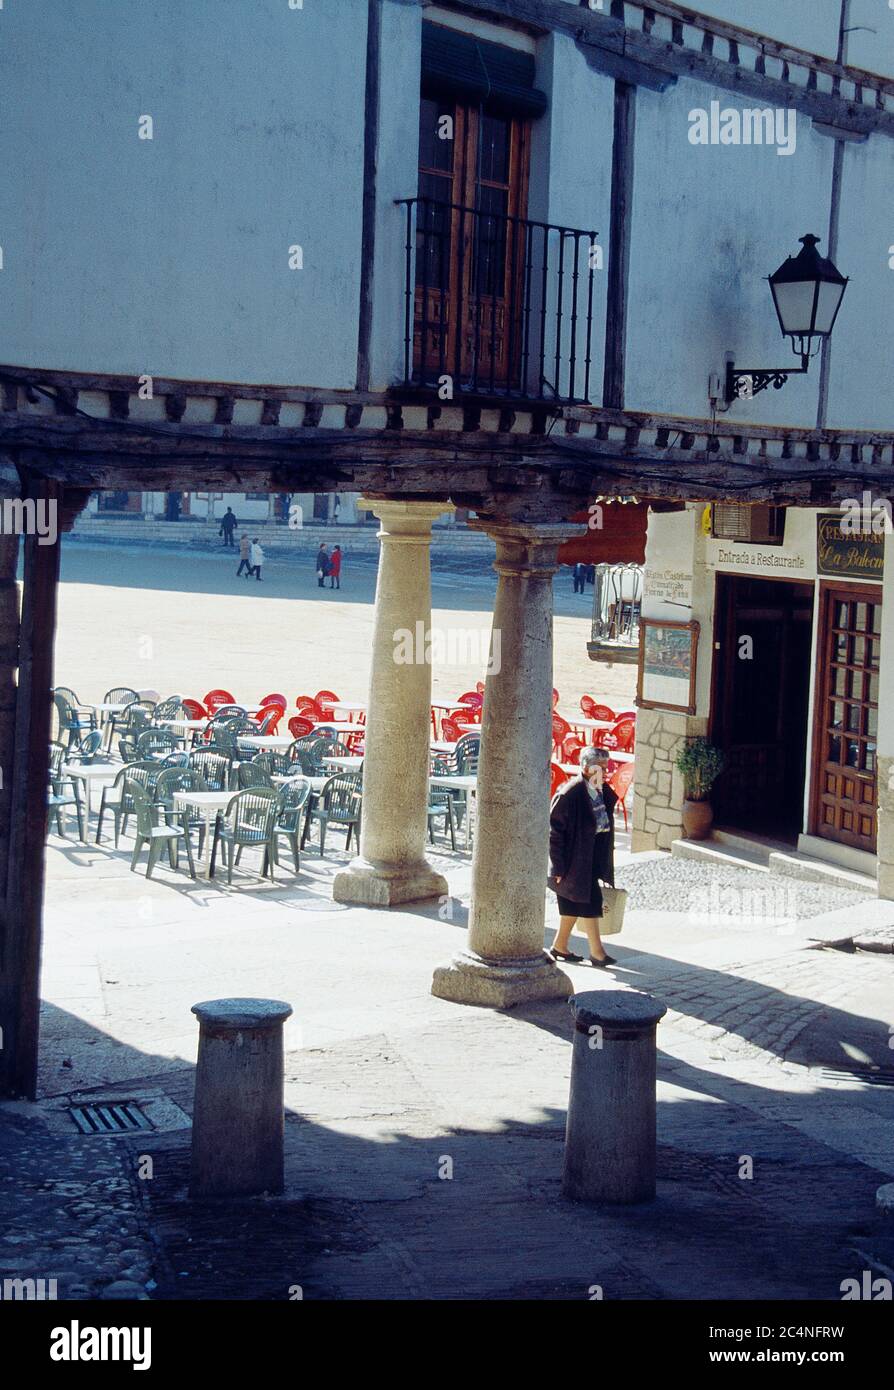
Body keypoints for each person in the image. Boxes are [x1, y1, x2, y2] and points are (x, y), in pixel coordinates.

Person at [547, 746, 618, 968]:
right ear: (587, 768)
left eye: (607, 768)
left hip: (591, 856)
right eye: (601, 768)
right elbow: (554, 833)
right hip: (573, 861)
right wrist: (557, 868)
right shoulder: (570, 793)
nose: (605, 772)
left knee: (573, 905)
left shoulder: (600, 790)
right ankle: (597, 953)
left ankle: (560, 946)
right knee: (590, 902)